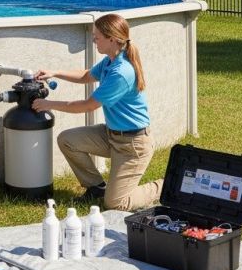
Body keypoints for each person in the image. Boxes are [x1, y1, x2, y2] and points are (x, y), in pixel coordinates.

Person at [31, 13, 163, 211]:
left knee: (116, 204)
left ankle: (164, 186)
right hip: (111, 135)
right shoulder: (110, 60)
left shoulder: (121, 72)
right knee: (67, 140)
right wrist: (55, 72)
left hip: (132, 145)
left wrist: (49, 104)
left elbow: (88, 105)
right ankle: (96, 188)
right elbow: (86, 75)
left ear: (112, 39)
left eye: (97, 37)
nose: (94, 40)